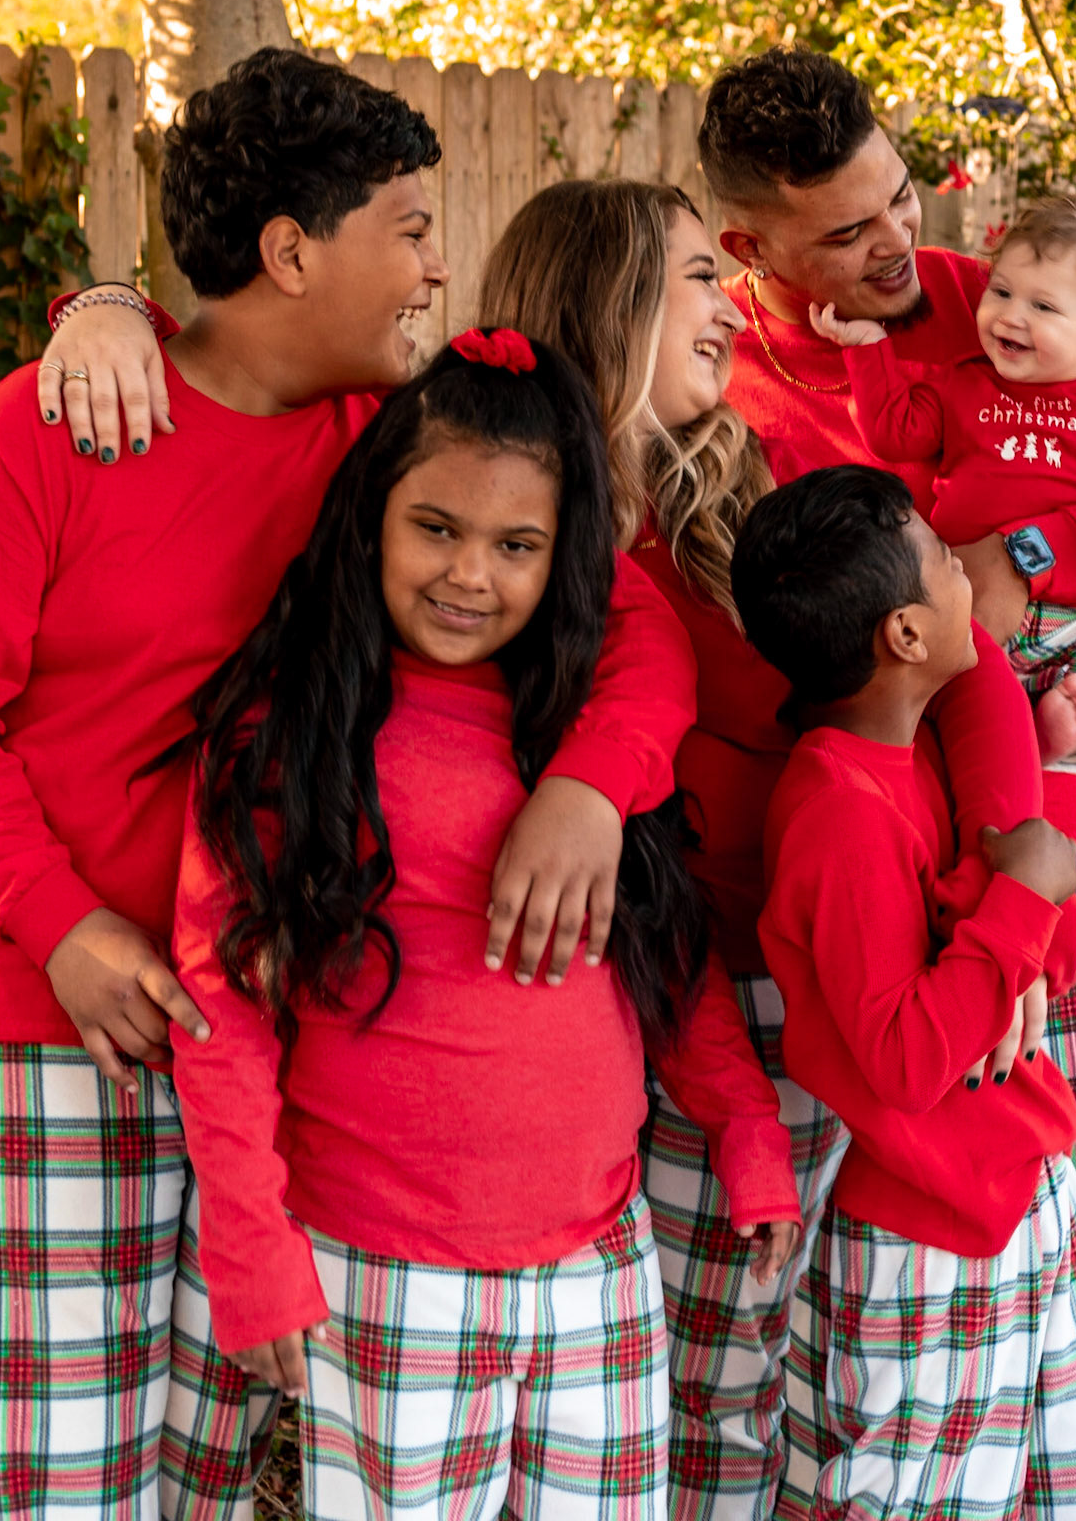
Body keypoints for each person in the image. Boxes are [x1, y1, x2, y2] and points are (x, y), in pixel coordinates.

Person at [0, 51, 695, 1520]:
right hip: (57, 1026)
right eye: (411, 228)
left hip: (289, 1056)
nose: (437, 267)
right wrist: (60, 925)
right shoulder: (49, 430)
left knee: (214, 1478)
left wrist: (592, 782)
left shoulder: (372, 457)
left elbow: (625, 617)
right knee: (68, 1482)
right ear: (290, 252)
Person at [701, 45, 1076, 1454]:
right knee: (845, 1218)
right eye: (850, 231)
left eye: (901, 195)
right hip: (847, 845)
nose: (902, 243)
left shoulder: (996, 306)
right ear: (751, 250)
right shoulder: (718, 372)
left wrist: (1031, 555)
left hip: (1032, 826)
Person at [478, 178, 1053, 1521]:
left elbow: (956, 641)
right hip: (688, 1007)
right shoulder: (514, 538)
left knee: (837, 1371)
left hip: (861, 973)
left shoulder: (757, 476)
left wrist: (1005, 877)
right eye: (695, 277)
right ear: (605, 303)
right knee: (705, 1382)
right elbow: (638, 861)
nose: (729, 309)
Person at [170, 329, 803, 1520]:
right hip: (383, 1263)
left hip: (597, 1263)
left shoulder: (584, 730)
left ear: (564, 556)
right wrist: (249, 1243)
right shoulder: (294, 731)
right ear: (370, 517)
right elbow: (225, 999)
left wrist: (747, 1128)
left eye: (517, 544)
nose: (470, 574)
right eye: (436, 527)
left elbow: (663, 951)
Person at [733, 465, 1076, 1521]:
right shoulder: (838, 812)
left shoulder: (910, 761)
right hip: (931, 1233)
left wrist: (1030, 893)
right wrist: (1030, 891)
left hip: (1018, 1183)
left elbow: (1022, 943)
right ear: (905, 634)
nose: (972, 577)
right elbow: (907, 1056)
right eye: (950, 564)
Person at [811, 192, 1076, 770]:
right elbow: (894, 434)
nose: (1010, 315)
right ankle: (996, 734)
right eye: (1000, 292)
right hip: (966, 604)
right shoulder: (965, 382)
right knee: (932, 676)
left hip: (1069, 615)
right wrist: (869, 350)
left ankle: (1065, 731)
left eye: (1043, 307)